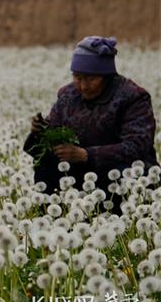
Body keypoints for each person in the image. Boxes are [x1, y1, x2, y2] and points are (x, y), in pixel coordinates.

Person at [24, 36, 158, 213]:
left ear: (107, 76)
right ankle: (52, 217)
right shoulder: (68, 95)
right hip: (79, 173)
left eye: (90, 79)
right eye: (77, 78)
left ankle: (116, 219)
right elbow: (53, 132)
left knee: (120, 172)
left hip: (122, 176)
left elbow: (137, 145)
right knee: (46, 163)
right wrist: (39, 131)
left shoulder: (132, 97)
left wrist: (86, 155)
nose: (83, 86)